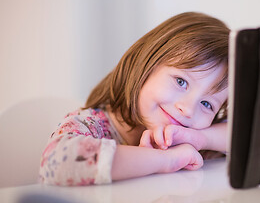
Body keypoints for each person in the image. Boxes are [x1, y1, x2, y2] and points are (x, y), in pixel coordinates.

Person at [39, 12, 230, 186]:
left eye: (207, 104)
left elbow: (252, 140)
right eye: (181, 82)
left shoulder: (193, 142)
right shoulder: (94, 124)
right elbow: (58, 161)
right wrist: (167, 160)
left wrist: (202, 138)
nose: (188, 109)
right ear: (146, 64)